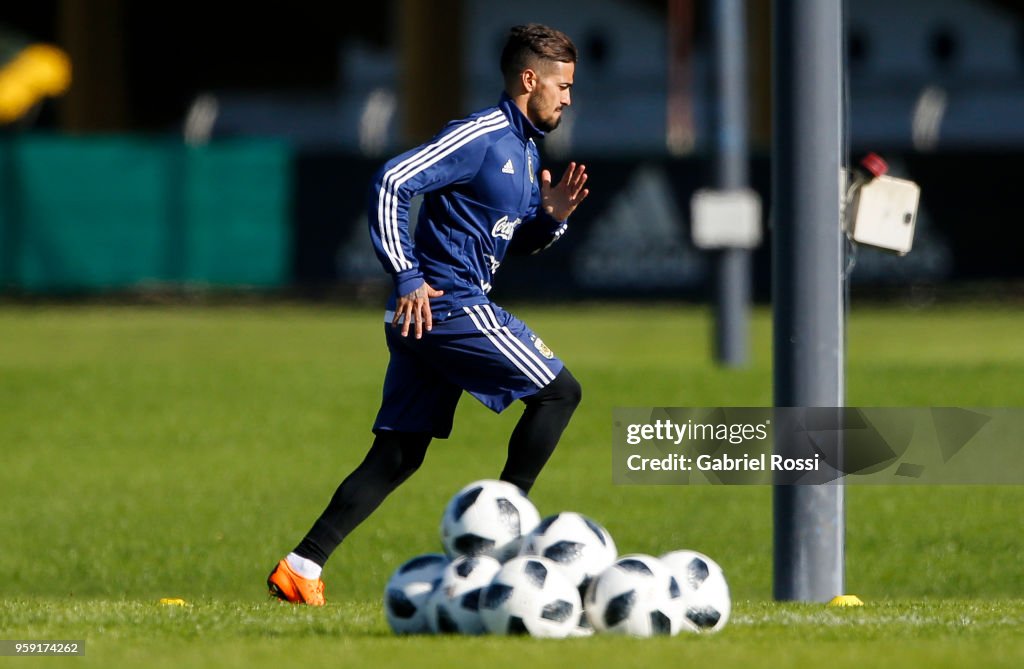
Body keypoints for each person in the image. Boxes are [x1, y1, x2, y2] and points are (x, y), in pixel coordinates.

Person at [267, 23, 589, 606]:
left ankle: (301, 565)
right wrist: (407, 275)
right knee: (560, 393)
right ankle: (504, 540)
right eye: (562, 86)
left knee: (397, 454)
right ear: (528, 79)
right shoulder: (481, 134)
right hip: (449, 305)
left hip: (429, 316)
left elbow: (508, 241)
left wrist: (550, 218)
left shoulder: (525, 148)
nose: (568, 98)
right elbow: (392, 179)